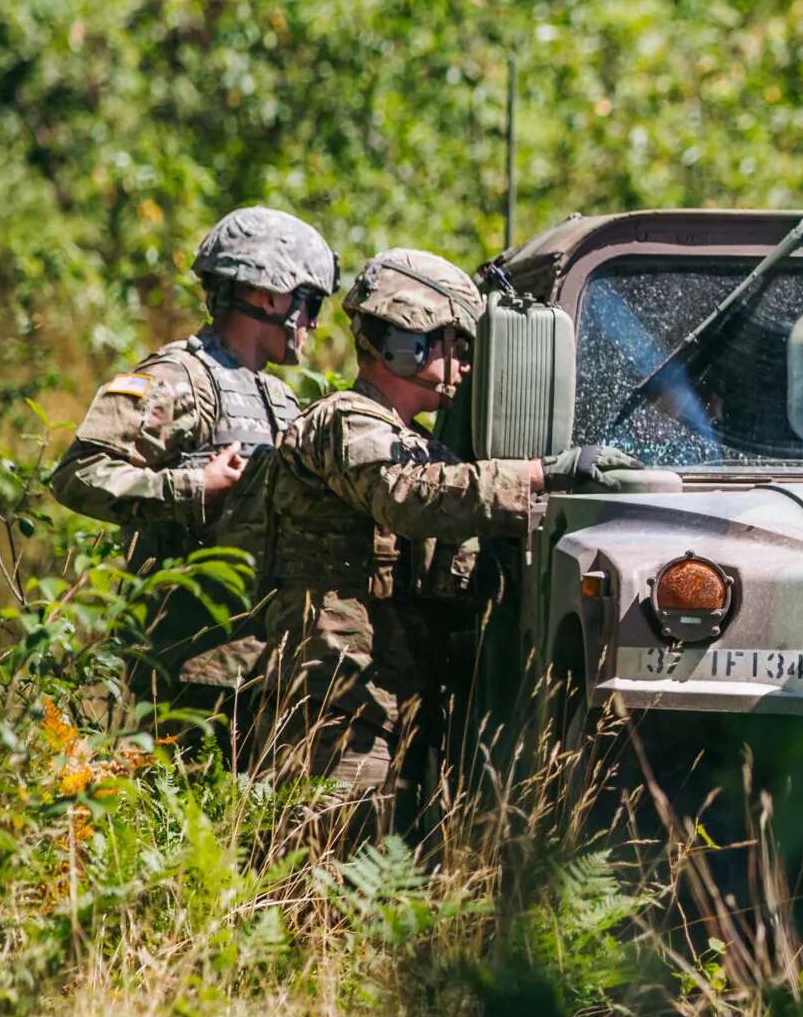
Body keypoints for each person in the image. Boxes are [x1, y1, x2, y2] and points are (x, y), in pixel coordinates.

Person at [255, 249, 624, 796]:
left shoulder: (422, 445)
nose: (468, 365)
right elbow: (405, 496)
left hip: (390, 696)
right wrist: (540, 474)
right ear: (409, 342)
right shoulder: (344, 422)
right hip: (334, 695)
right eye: (459, 346)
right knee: (327, 864)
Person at [49, 206, 340, 709]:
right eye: (309, 302)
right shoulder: (177, 378)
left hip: (268, 676)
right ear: (270, 296)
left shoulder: (281, 398)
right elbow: (78, 473)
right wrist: (193, 488)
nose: (313, 322)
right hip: (184, 676)